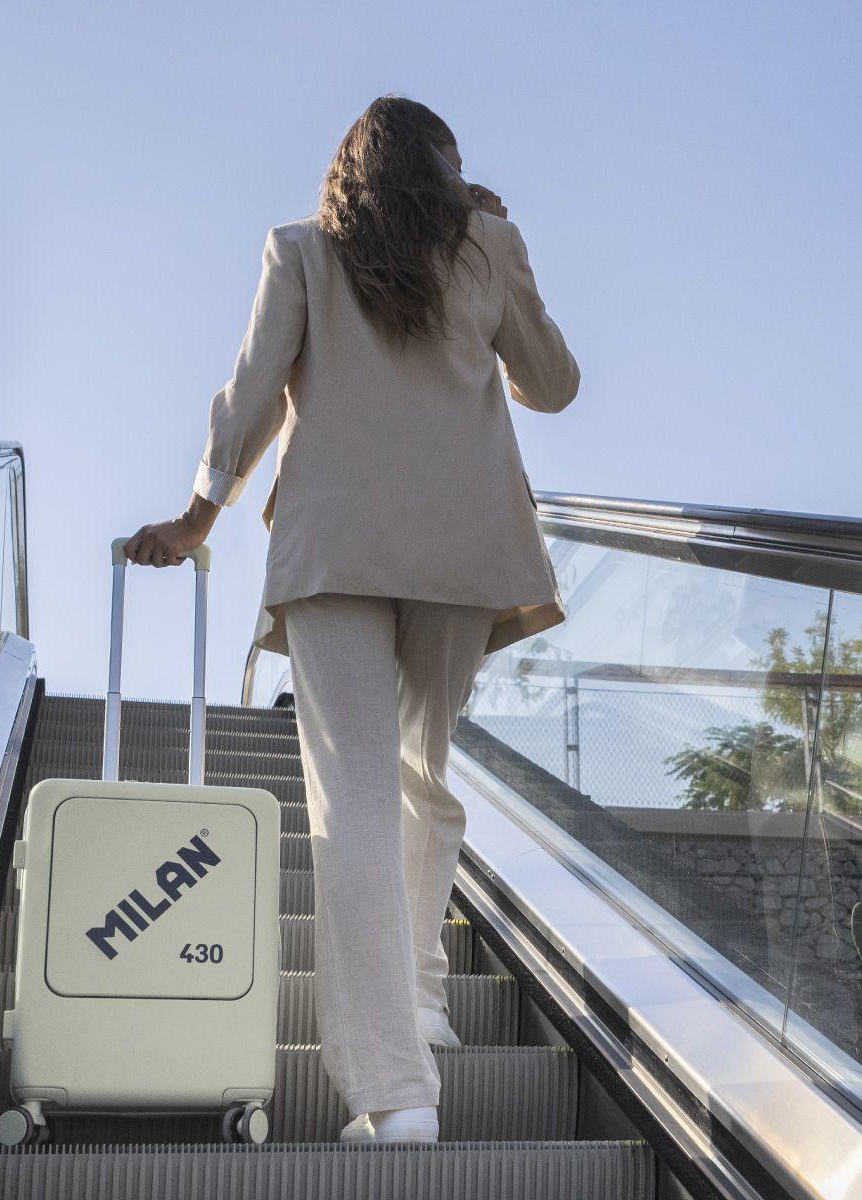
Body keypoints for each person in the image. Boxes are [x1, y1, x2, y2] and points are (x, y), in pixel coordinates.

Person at [123, 94, 579, 1144]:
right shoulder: (488, 246)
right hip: (464, 549)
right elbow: (552, 385)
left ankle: (396, 1091)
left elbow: (251, 397)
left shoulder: (301, 251)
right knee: (423, 775)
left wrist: (198, 519)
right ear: (442, 172)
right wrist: (497, 245)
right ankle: (418, 1000)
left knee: (357, 806)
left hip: (334, 550)